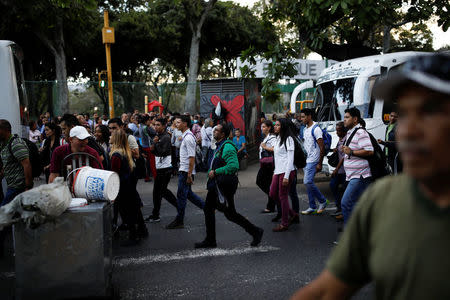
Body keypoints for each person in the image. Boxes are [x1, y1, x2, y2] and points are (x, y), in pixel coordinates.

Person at [291, 53, 450, 300]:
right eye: (405, 113)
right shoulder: (384, 199)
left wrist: (351, 151)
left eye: (428, 112)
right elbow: (329, 289)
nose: (408, 131)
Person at [195, 123, 263, 248]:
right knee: (216, 211)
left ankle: (255, 231)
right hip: (217, 185)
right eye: (214, 130)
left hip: (223, 186)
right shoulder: (220, 146)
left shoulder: (227, 147)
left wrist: (216, 171)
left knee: (225, 213)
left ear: (223, 134)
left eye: (216, 130)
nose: (214, 132)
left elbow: (234, 166)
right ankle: (211, 240)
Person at [165, 115, 205, 229]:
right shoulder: (185, 136)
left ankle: (179, 220)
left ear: (185, 124)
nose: (176, 124)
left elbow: (191, 157)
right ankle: (207, 208)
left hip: (186, 172)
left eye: (178, 122)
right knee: (188, 195)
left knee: (182, 195)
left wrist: (189, 175)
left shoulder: (188, 138)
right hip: (184, 170)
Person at [110, 129, 148, 246]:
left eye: (111, 135)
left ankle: (134, 236)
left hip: (122, 187)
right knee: (133, 209)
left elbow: (114, 174)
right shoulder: (125, 152)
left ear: (115, 139)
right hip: (129, 185)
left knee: (126, 211)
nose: (109, 137)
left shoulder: (116, 155)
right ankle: (140, 231)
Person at [340, 107, 374, 224]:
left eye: (347, 117)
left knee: (346, 203)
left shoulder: (360, 132)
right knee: (356, 204)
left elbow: (369, 151)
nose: (344, 120)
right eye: (344, 117)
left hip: (360, 175)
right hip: (352, 175)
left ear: (355, 119)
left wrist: (351, 152)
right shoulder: (351, 132)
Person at [145, 117, 178, 223]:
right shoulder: (158, 136)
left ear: (164, 126)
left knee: (162, 191)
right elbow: (155, 152)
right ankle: (155, 214)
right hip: (160, 168)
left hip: (165, 169)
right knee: (157, 193)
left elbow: (162, 152)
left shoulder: (165, 137)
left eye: (158, 125)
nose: (155, 127)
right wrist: (154, 146)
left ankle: (179, 207)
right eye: (155, 125)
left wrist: (154, 144)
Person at [269, 118, 299, 232]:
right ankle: (293, 214)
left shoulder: (289, 139)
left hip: (287, 171)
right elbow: (277, 158)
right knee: (272, 193)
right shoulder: (278, 138)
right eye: (275, 125)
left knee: (283, 196)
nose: (275, 126)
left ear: (283, 126)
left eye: (277, 125)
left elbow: (290, 159)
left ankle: (285, 223)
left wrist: (286, 176)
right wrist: (274, 173)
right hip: (278, 171)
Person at [300, 108, 328, 215]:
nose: (301, 119)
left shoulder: (316, 129)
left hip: (313, 160)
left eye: (303, 117)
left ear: (309, 116)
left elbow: (322, 148)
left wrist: (320, 163)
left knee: (307, 181)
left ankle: (322, 201)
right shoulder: (305, 129)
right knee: (309, 183)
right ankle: (312, 206)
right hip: (306, 160)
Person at [0, 119, 32, 206]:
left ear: (5, 130)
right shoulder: (4, 144)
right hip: (12, 186)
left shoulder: (15, 143)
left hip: (18, 187)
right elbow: (8, 164)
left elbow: (26, 164)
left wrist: (27, 186)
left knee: (3, 211)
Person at [257, 120, 277, 213]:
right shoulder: (266, 137)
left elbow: (274, 149)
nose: (262, 128)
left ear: (269, 128)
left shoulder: (272, 137)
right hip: (264, 164)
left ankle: (273, 199)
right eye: (262, 127)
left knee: (260, 181)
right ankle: (271, 203)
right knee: (267, 184)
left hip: (269, 165)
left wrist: (264, 147)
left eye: (264, 127)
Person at [329, 122, 347, 219]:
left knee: (344, 190)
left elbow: (344, 157)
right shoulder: (340, 140)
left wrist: (336, 169)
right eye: (336, 130)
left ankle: (343, 211)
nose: (337, 132)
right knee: (333, 185)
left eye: (339, 130)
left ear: (344, 130)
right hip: (339, 170)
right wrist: (336, 149)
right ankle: (339, 207)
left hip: (344, 171)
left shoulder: (347, 139)